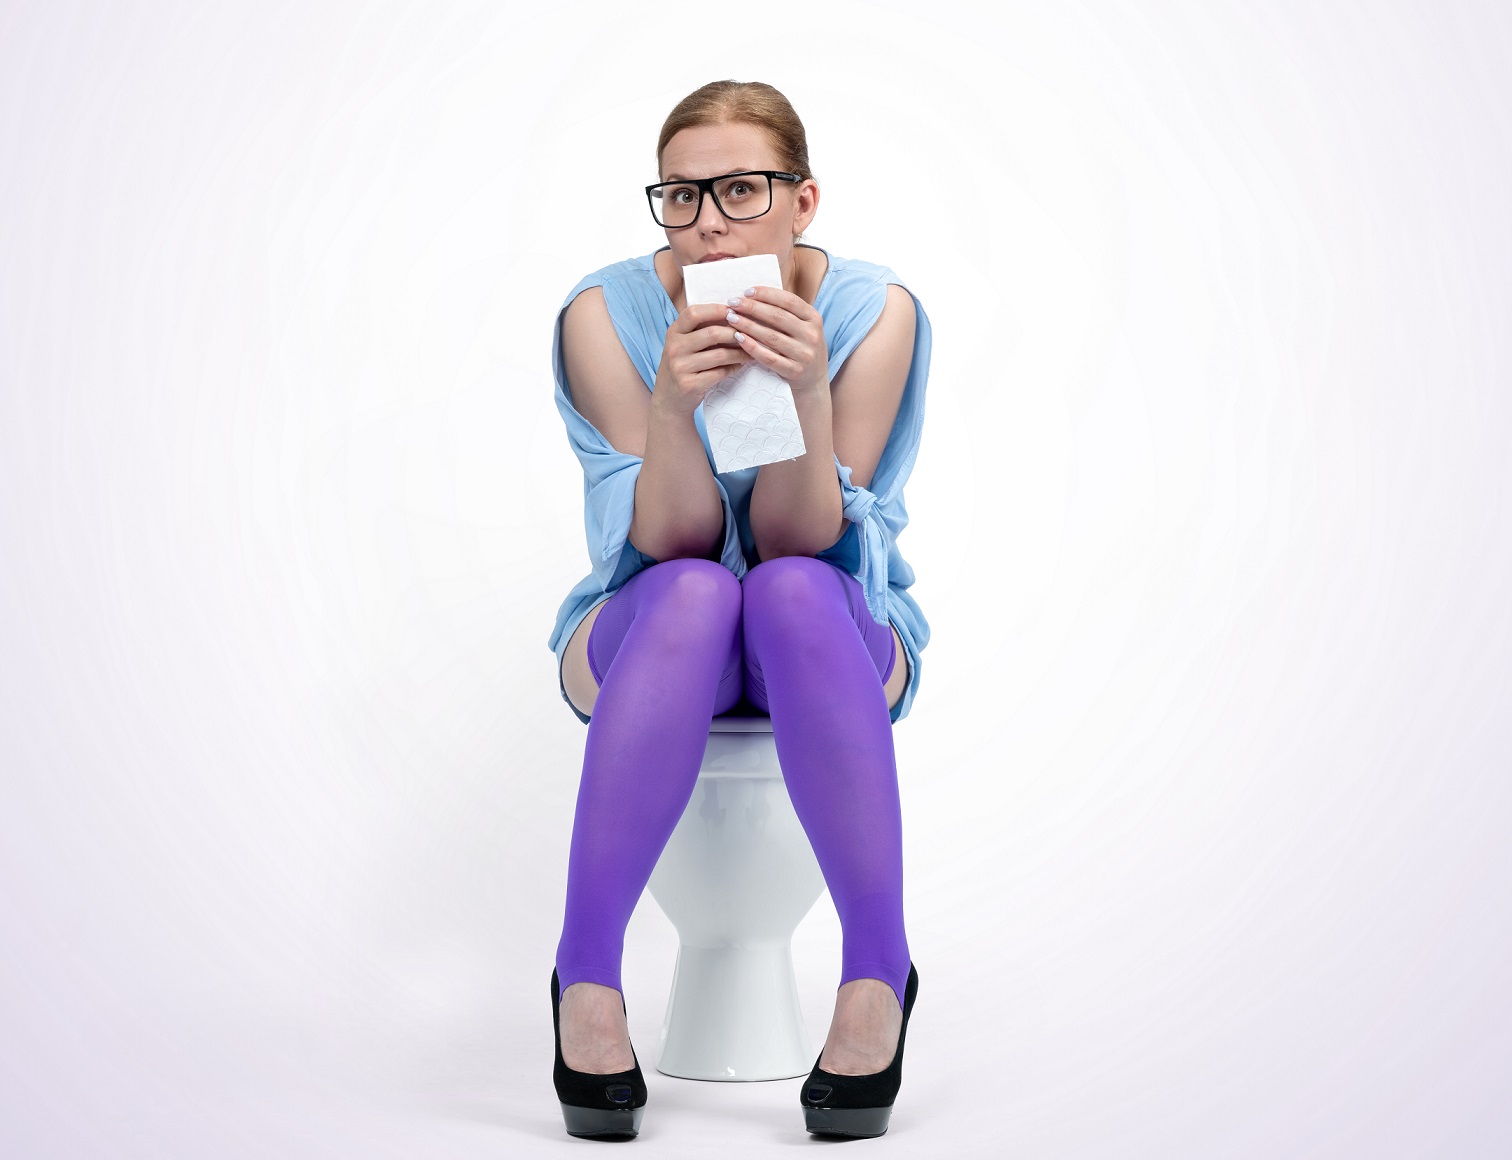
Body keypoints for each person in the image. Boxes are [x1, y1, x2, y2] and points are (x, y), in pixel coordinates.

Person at [546, 79, 930, 1140]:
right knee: (700, 588)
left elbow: (805, 541)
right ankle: (586, 973)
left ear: (802, 202)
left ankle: (875, 971)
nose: (708, 221)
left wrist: (804, 395)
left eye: (740, 189)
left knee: (789, 589)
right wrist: (674, 404)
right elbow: (660, 544)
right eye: (680, 194)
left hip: (827, 619)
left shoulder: (875, 314)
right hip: (651, 621)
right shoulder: (602, 315)